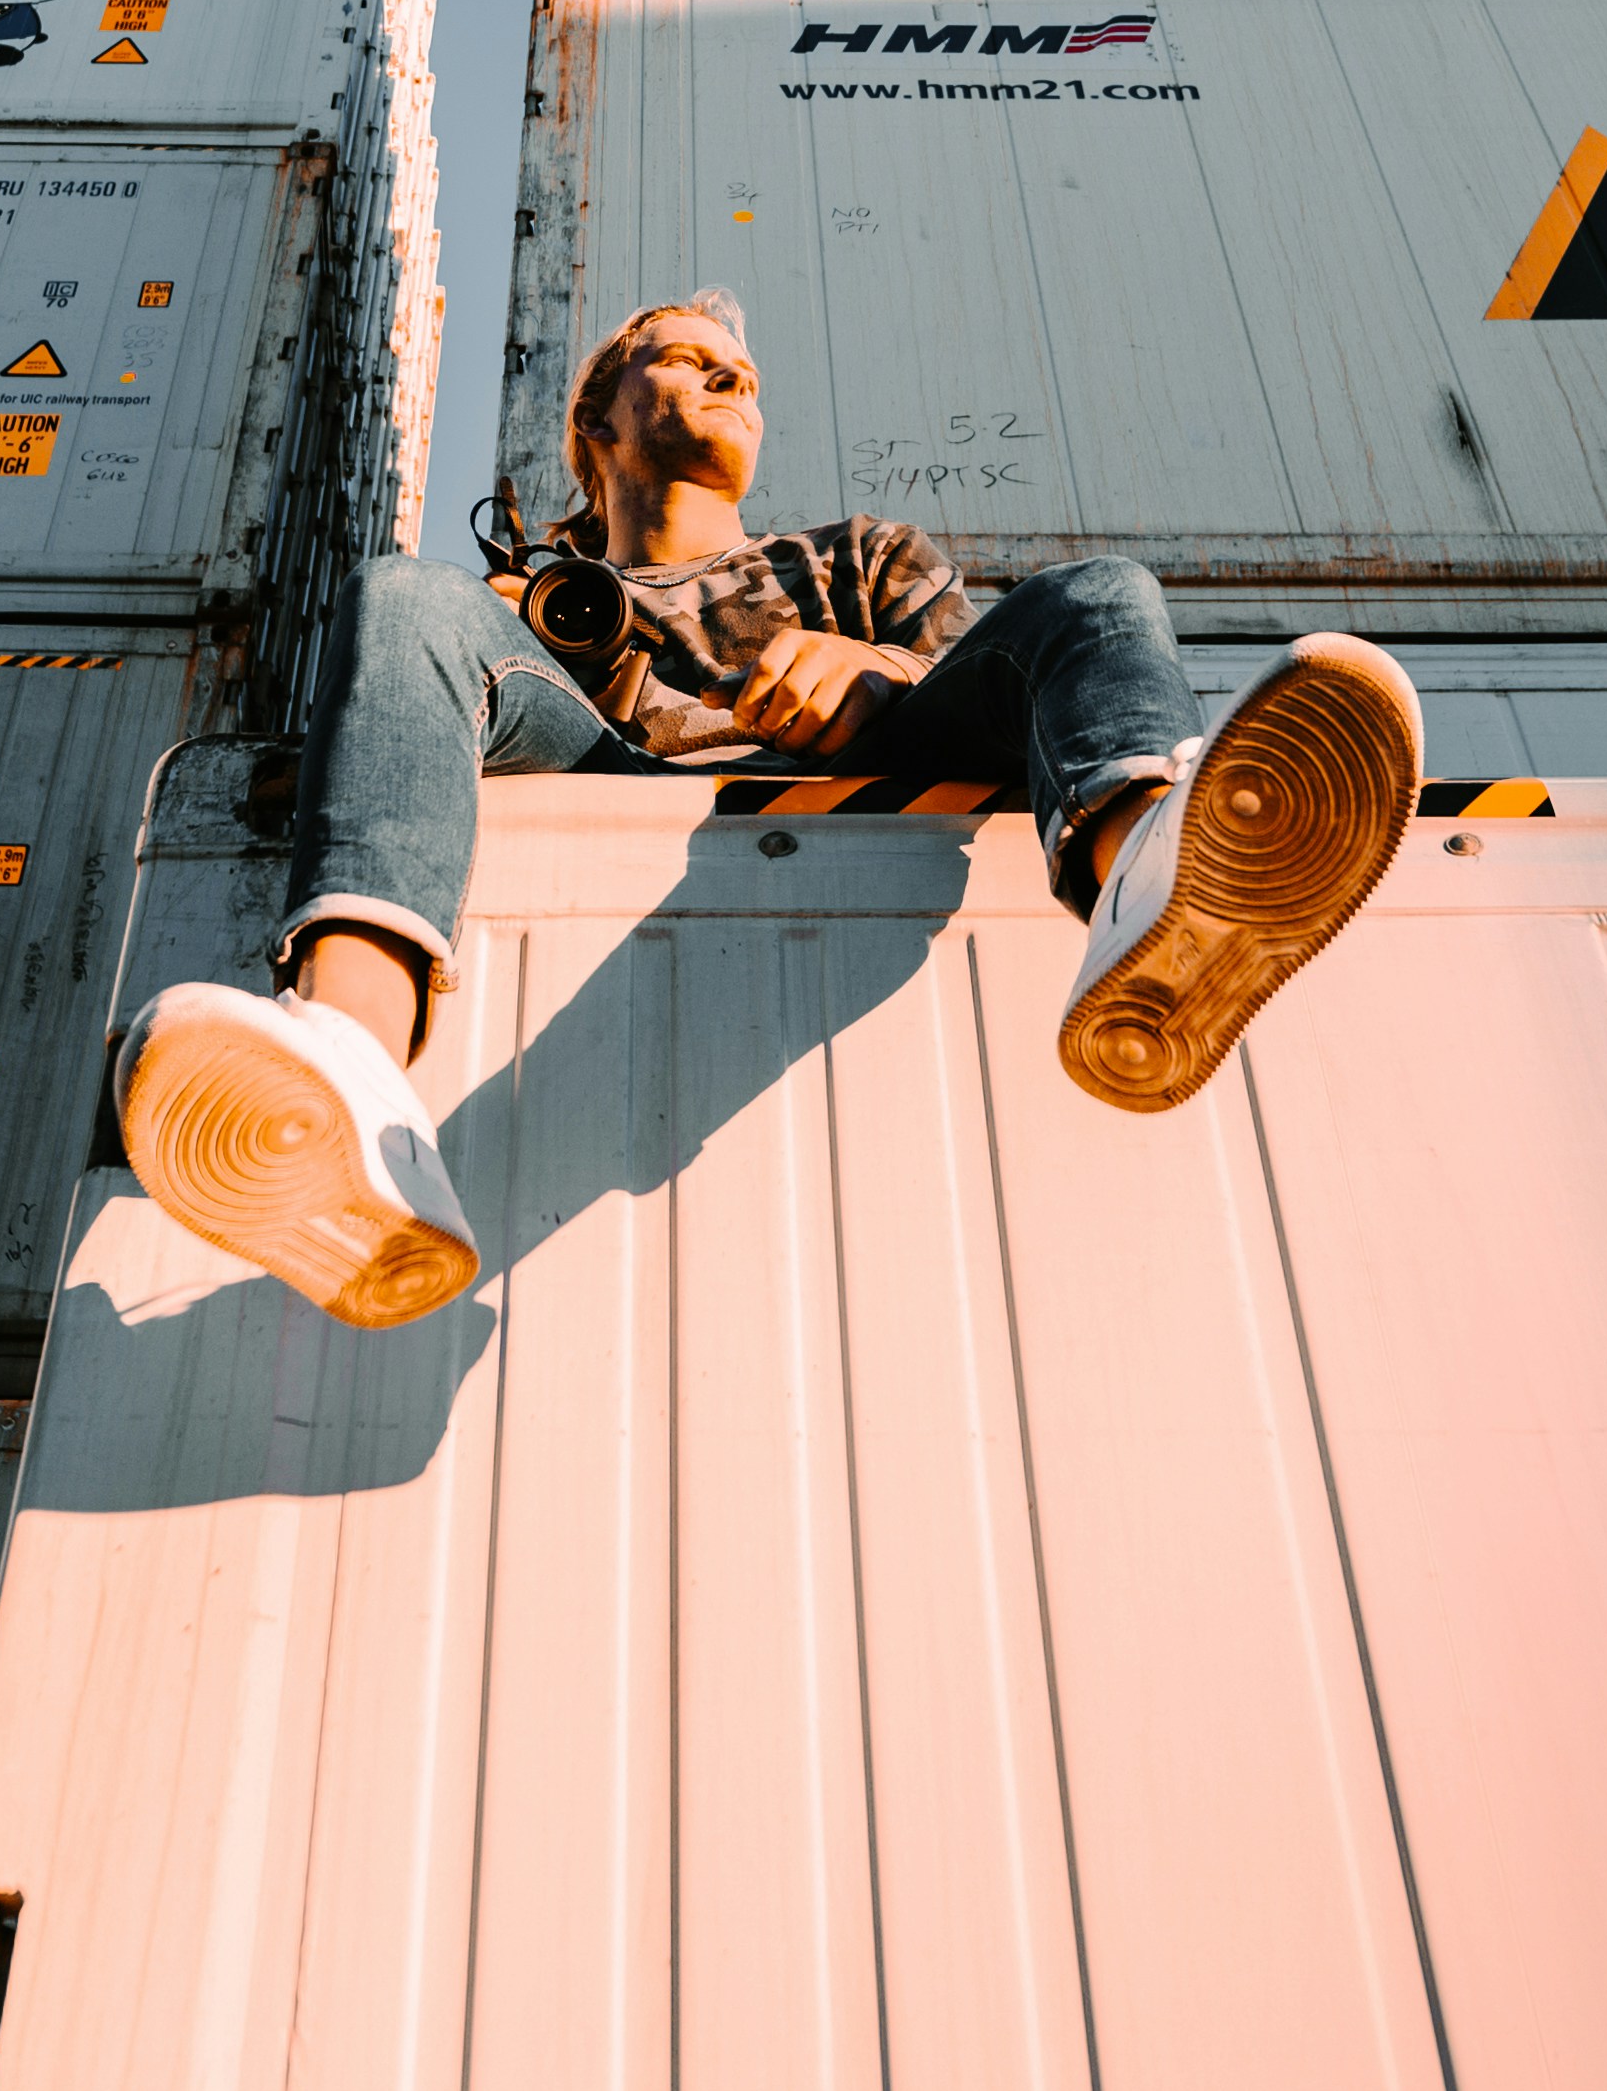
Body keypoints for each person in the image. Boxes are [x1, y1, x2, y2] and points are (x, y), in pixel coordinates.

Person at [115, 294, 1423, 1328]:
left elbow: (1010, 686)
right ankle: (346, 1071)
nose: (728, 376)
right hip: (616, 764)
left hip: (877, 759)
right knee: (399, 594)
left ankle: (1157, 885)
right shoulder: (542, 600)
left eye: (741, 371)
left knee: (1092, 592)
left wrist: (879, 667)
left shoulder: (852, 560)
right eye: (684, 359)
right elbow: (379, 730)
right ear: (600, 422)